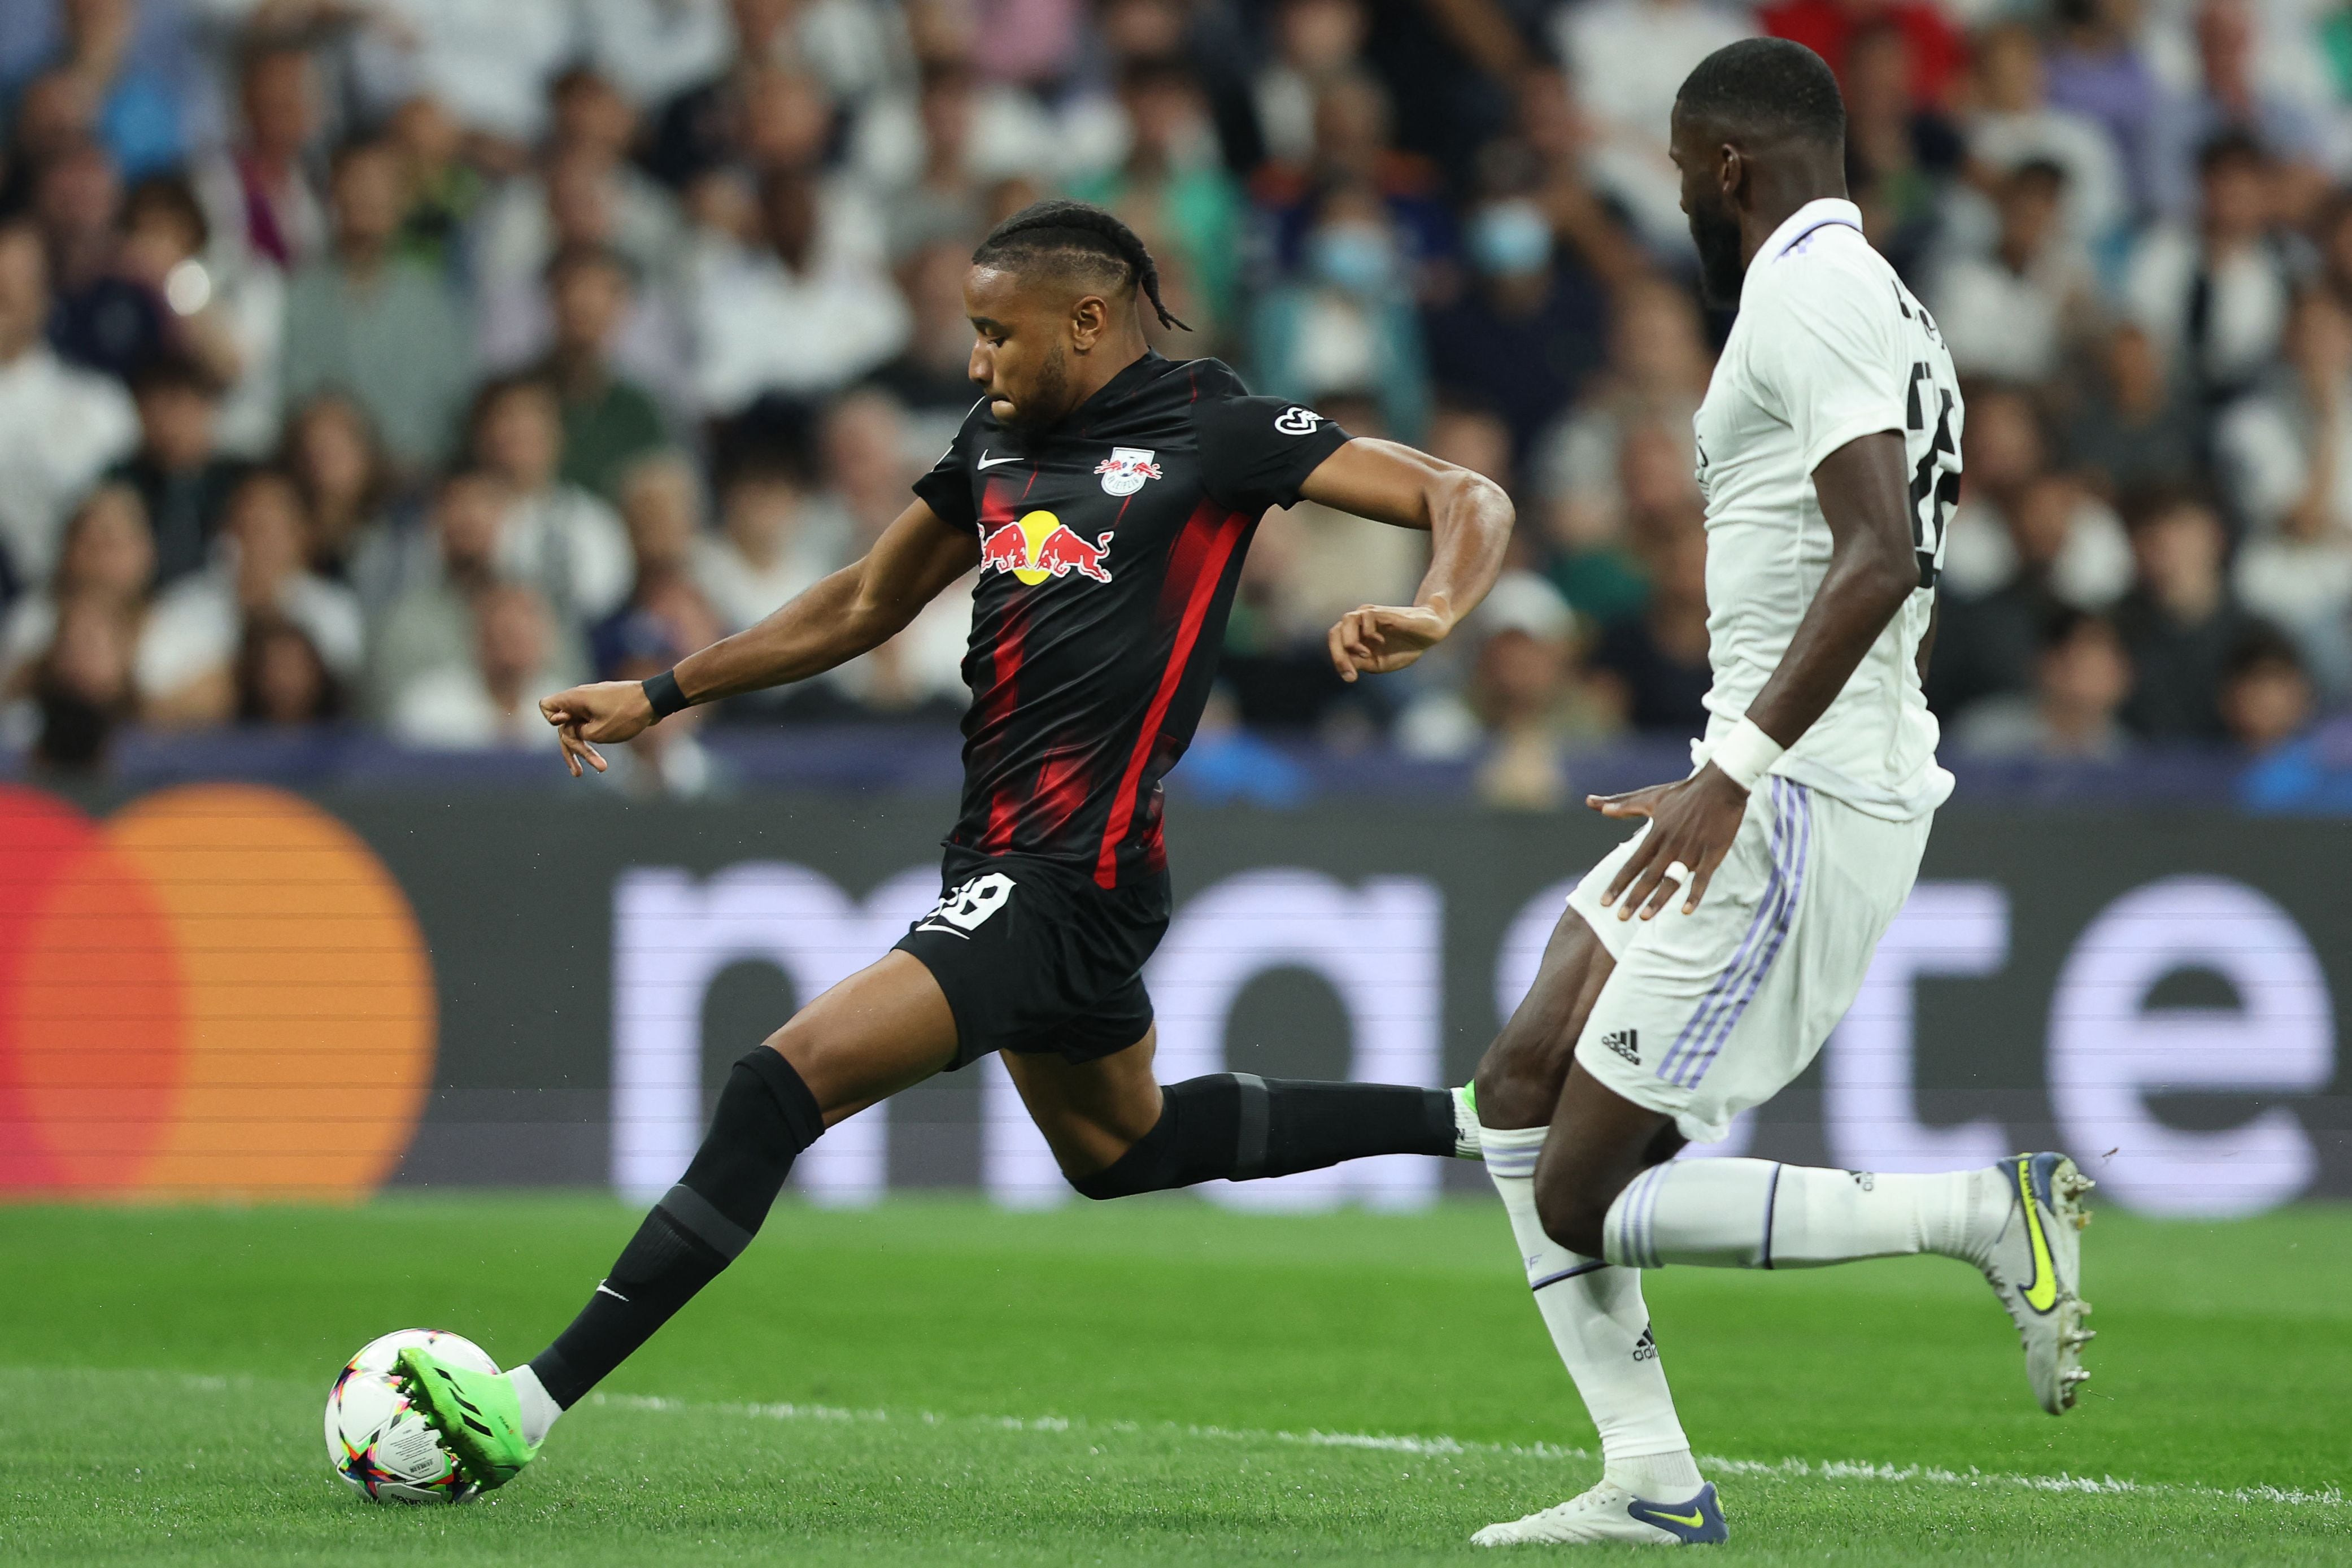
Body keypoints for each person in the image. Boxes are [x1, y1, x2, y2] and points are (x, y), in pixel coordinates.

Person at [386, 198, 1514, 1489]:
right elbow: (864, 601)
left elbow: (1456, 490)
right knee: (1119, 1148)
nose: (975, 360)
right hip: (1017, 861)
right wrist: (662, 692)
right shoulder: (994, 441)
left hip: (1063, 875)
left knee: (776, 1082)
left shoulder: (1215, 429)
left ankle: (528, 1400)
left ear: (1086, 322)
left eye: (997, 332)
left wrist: (1437, 608)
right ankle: (1482, 1120)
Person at [1465, 42, 2092, 1550]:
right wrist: (1721, 758)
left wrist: (1734, 772)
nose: (1679, 196)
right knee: (1515, 1088)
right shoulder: (1871, 292)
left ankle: (1977, 1212)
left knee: (1574, 1193)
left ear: (1728, 167)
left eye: (1683, 171)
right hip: (1759, 764)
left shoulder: (1807, 294)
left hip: (1794, 791)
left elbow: (1876, 555)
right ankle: (1649, 1479)